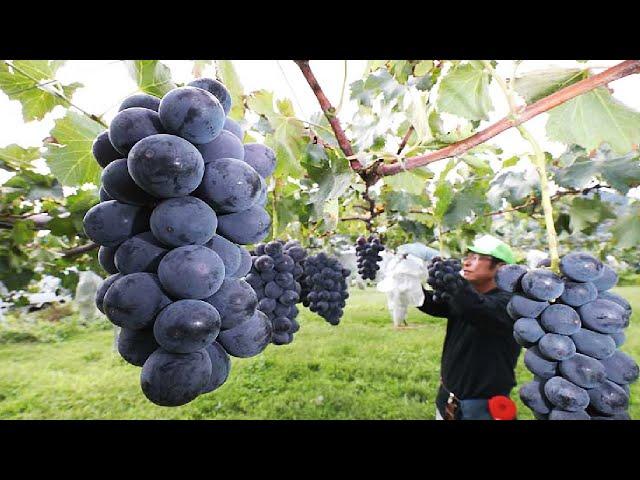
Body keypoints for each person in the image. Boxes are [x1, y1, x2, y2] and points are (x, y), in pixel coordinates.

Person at [418, 235, 520, 420]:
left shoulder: (511, 305)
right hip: (448, 400)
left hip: (482, 410)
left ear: (501, 268)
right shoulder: (467, 297)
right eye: (468, 256)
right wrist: (411, 288)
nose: (466, 262)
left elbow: (478, 309)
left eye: (476, 258)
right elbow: (439, 304)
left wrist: (453, 283)